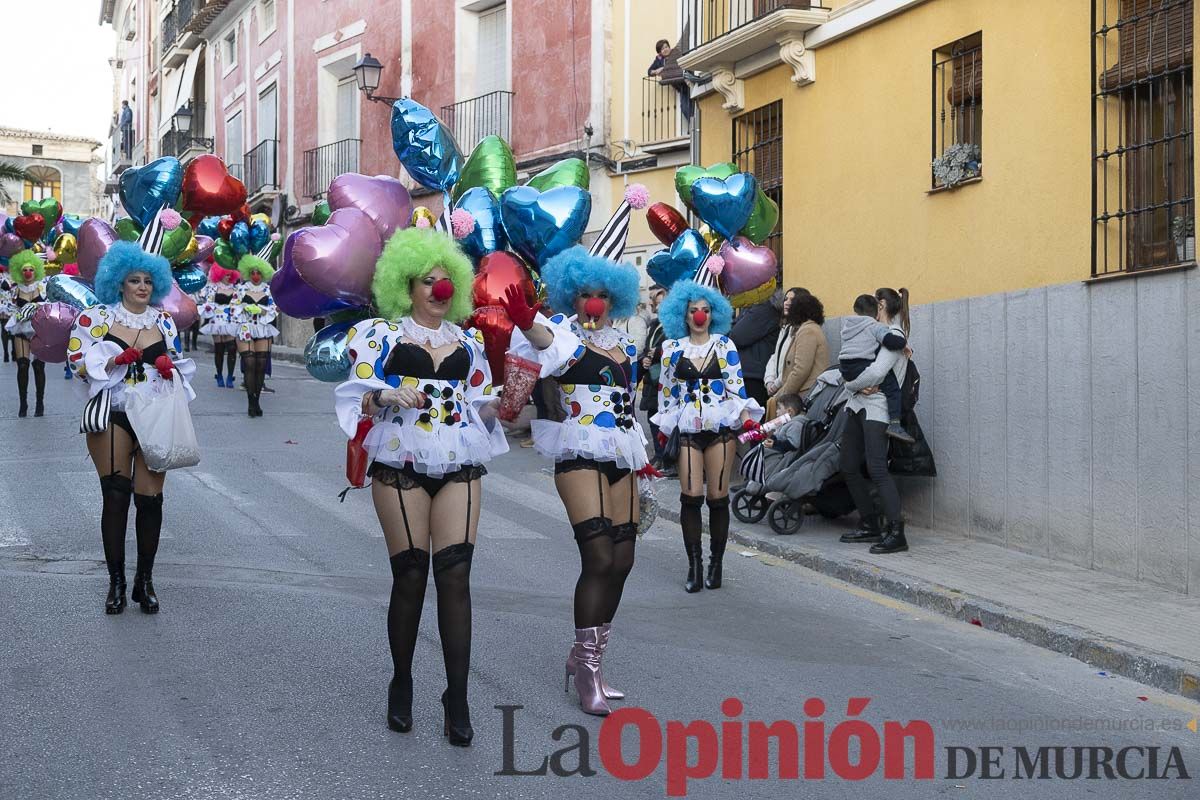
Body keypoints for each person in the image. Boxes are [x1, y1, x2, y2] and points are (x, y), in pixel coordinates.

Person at [334, 228, 505, 746]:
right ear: (404, 287)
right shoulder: (379, 336)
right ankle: (402, 682)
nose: (438, 290)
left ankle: (457, 696)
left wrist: (503, 406)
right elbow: (355, 398)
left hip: (459, 458)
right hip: (400, 457)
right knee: (410, 575)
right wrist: (384, 397)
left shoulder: (471, 340)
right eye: (426, 282)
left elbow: (481, 402)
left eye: (445, 281)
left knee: (455, 577)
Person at [507, 245, 648, 718]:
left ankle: (589, 658)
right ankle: (586, 670)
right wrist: (528, 321)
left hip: (622, 451)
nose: (594, 302)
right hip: (578, 452)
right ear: (573, 296)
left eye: (603, 295)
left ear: (616, 300)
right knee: (599, 555)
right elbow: (543, 342)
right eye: (585, 293)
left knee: (623, 559)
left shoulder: (628, 344)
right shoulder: (565, 335)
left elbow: (629, 402)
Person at [66, 234, 196, 615]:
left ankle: (145, 581)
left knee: (150, 501)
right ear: (118, 281)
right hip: (113, 413)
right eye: (135, 280)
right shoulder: (95, 318)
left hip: (155, 415)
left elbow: (180, 366)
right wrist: (111, 360)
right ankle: (117, 584)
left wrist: (169, 368)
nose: (142, 287)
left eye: (148, 281)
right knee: (116, 496)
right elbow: (76, 362)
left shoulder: (165, 322)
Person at [653, 280, 764, 593]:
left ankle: (716, 564)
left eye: (704, 310)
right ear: (683, 315)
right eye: (693, 311)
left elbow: (736, 389)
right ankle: (694, 566)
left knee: (717, 499)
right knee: (690, 497)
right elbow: (667, 393)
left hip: (721, 429)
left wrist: (747, 421)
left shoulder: (724, 345)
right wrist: (665, 428)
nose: (699, 316)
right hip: (688, 428)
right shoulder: (672, 349)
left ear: (713, 314)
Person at [838, 288, 911, 555]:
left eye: (875, 304)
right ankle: (870, 523)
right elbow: (852, 370)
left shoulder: (895, 335)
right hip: (857, 405)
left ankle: (896, 532)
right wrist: (852, 387)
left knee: (877, 468)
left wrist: (851, 385)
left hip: (878, 409)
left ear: (881, 306)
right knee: (847, 464)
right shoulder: (871, 333)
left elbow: (878, 372)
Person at [839, 294, 913, 443]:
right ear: (877, 307)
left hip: (845, 367)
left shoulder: (849, 326)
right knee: (893, 388)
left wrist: (850, 384)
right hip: (865, 380)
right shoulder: (875, 327)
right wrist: (903, 343)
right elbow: (888, 347)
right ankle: (895, 425)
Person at [767, 289, 828, 417]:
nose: (787, 306)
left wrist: (782, 395)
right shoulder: (806, 329)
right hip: (801, 395)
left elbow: (801, 369)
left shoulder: (807, 331)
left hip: (803, 396)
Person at [233, 254, 279, 417]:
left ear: (263, 274)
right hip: (245, 328)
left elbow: (275, 309)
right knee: (250, 364)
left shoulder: (268, 290)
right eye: (252, 273)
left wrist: (263, 310)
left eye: (258, 273)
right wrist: (244, 308)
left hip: (263, 328)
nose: (255, 276)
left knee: (260, 366)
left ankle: (257, 401)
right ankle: (250, 401)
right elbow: (232, 308)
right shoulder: (241, 288)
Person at [4, 250, 48, 417]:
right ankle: (23, 404)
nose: (28, 272)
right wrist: (16, 312)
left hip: (39, 331)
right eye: (24, 270)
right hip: (21, 330)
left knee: (38, 366)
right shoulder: (15, 289)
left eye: (30, 269)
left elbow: (50, 305)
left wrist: (39, 306)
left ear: (36, 270)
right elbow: (8, 307)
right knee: (22, 366)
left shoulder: (42, 287)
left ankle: (40, 403)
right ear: (19, 272)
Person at [728, 291, 781, 407]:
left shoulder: (764, 307)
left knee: (751, 420)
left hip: (754, 377)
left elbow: (737, 336)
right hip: (749, 374)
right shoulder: (754, 306)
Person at [639, 284, 669, 470]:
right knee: (652, 418)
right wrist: (645, 359)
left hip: (664, 379)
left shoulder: (673, 327)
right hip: (652, 378)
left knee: (665, 421)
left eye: (657, 301)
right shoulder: (654, 324)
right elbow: (645, 348)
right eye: (653, 301)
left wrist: (655, 353)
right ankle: (659, 455)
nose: (653, 305)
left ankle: (667, 457)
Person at [200, 265, 241, 388]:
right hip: (216, 320)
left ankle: (230, 376)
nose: (228, 277)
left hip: (230, 319)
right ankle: (219, 375)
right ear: (219, 274)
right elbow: (209, 302)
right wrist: (207, 308)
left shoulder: (235, 288)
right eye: (226, 274)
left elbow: (238, 304)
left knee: (232, 348)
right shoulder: (213, 288)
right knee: (219, 349)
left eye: (230, 275)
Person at [647, 39, 693, 121]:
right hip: (680, 86)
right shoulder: (659, 60)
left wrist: (663, 68)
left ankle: (694, 125)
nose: (665, 49)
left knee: (686, 106)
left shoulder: (675, 53)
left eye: (666, 47)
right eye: (662, 49)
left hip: (686, 82)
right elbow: (649, 72)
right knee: (685, 107)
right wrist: (656, 70)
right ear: (659, 52)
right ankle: (693, 125)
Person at [1, 263, 14, 363]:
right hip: (4, 305)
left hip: (12, 304)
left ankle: (13, 352)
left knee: (12, 328)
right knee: (5, 328)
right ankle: (7, 353)